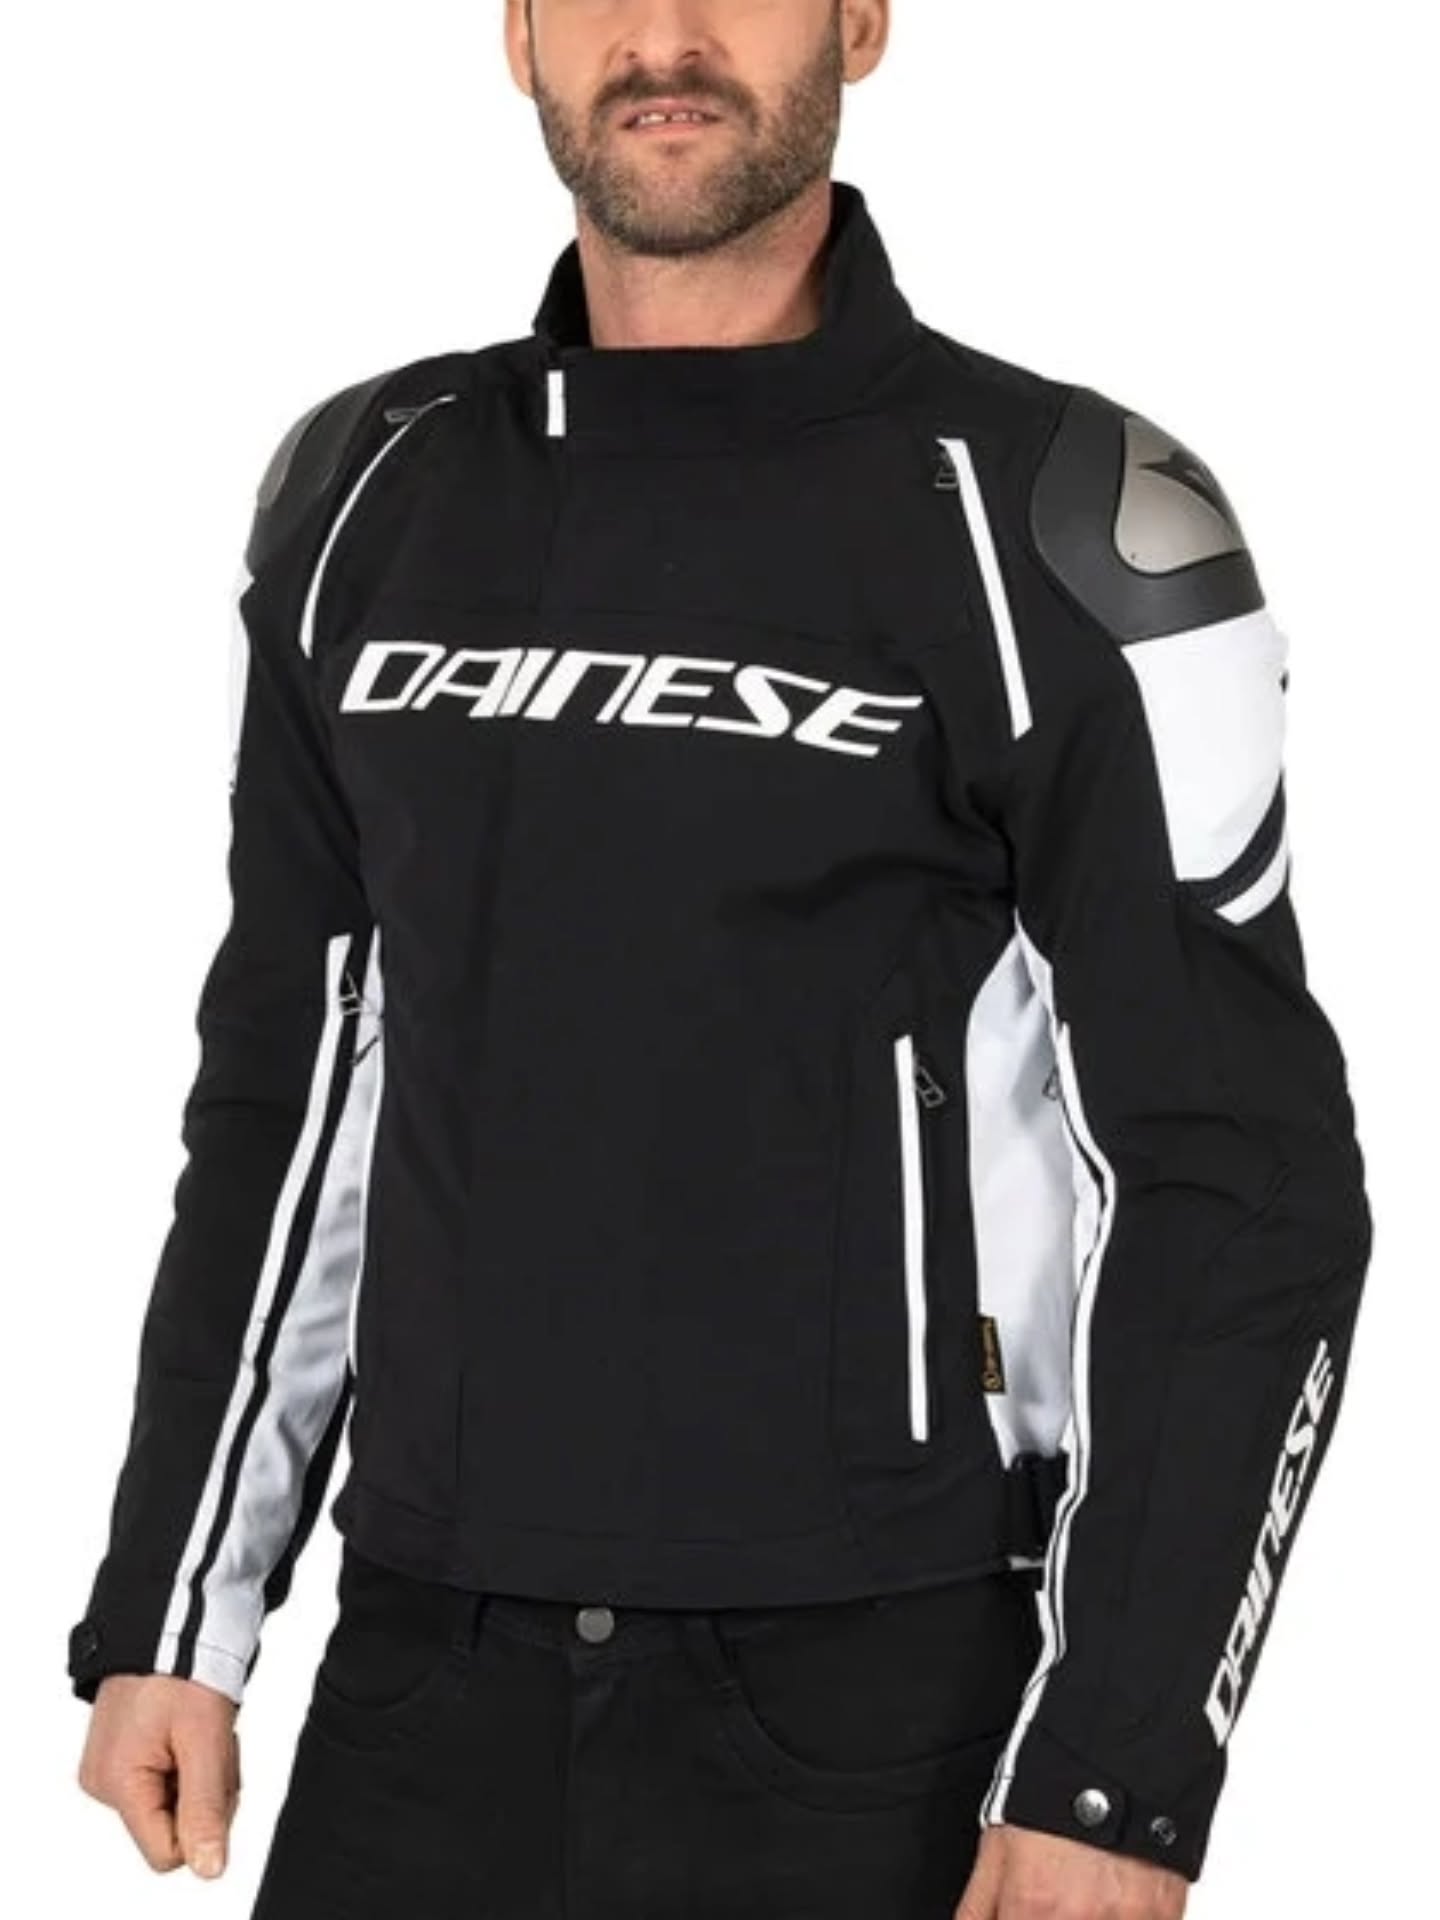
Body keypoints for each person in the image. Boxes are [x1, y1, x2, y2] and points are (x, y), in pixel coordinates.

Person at [68, 4, 1373, 1916]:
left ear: (861, 20)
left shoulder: (1071, 529)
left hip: (883, 1705)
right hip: (423, 1679)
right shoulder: (368, 496)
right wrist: (176, 1611)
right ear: (519, 35)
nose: (664, 36)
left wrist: (1118, 1765)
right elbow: (291, 1090)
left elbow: (1239, 1184)